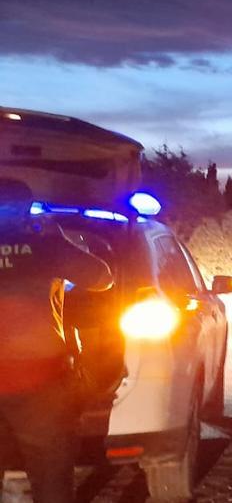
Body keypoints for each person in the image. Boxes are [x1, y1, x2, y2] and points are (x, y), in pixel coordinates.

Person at [0, 178, 113, 503]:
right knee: (51, 478)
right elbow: (103, 278)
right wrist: (59, 237)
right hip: (40, 384)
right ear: (25, 211)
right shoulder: (47, 245)